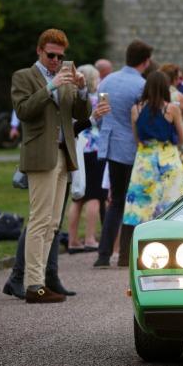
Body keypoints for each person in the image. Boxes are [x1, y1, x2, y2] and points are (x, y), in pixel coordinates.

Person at [10, 28, 92, 302]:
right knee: (40, 219)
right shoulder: (24, 76)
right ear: (39, 51)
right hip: (40, 154)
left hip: (63, 153)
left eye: (60, 56)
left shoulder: (66, 78)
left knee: (53, 223)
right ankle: (33, 285)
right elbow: (23, 111)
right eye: (51, 55)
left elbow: (81, 114)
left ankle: (41, 281)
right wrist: (50, 87)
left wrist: (81, 89)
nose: (56, 60)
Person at [93, 40, 152, 268]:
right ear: (145, 61)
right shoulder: (140, 85)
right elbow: (143, 119)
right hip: (131, 147)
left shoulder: (107, 80)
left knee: (115, 201)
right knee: (133, 199)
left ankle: (104, 253)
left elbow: (101, 110)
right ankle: (127, 254)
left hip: (110, 144)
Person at [121, 71, 183, 229]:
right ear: (166, 87)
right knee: (170, 200)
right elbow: (182, 137)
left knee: (144, 203)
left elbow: (137, 138)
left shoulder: (136, 108)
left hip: (145, 158)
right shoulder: (172, 109)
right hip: (168, 157)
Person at [66, 64, 105, 254]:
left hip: (79, 147)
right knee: (95, 196)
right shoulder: (97, 100)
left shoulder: (75, 100)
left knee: (78, 196)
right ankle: (90, 238)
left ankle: (72, 239)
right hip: (94, 148)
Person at [159, 63, 183, 172]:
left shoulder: (156, 94)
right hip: (178, 143)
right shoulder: (179, 96)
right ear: (174, 79)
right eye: (179, 78)